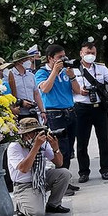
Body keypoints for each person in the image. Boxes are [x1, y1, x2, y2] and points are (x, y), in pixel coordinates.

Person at [69, 41, 108, 184]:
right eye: (87, 53)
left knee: (104, 139)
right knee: (82, 142)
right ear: (81, 53)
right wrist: (80, 91)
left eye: (93, 53)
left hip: (99, 108)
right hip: (81, 108)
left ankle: (105, 169)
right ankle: (83, 172)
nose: (90, 56)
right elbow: (69, 88)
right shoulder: (73, 70)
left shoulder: (101, 68)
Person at [6, 117, 72, 216]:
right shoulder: (15, 146)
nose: (38, 134)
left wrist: (56, 148)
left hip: (40, 178)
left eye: (39, 131)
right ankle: (21, 205)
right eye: (35, 132)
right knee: (37, 214)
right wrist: (35, 147)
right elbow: (24, 169)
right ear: (26, 134)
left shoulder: (42, 143)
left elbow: (59, 163)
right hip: (24, 185)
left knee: (64, 173)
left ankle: (53, 205)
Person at [34, 45, 79, 191]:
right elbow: (45, 89)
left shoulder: (66, 71)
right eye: (59, 57)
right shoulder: (42, 72)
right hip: (54, 113)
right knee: (60, 148)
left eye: (64, 56)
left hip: (70, 111)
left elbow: (77, 90)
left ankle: (65, 179)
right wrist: (54, 71)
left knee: (69, 147)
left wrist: (71, 75)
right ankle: (60, 183)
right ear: (50, 58)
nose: (63, 59)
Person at [5, 49, 44, 120]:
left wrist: (42, 111)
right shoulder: (9, 76)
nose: (29, 61)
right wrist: (21, 102)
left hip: (32, 112)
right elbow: (7, 96)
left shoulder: (31, 75)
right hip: (18, 113)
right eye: (27, 59)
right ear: (20, 62)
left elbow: (36, 94)